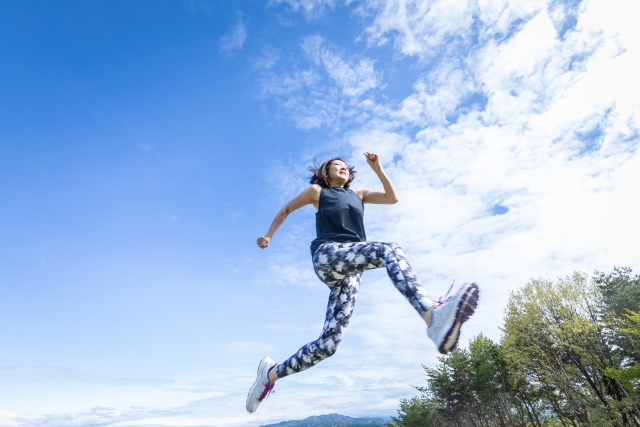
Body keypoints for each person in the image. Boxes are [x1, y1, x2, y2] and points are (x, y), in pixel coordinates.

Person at [245, 152, 479, 413]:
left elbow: (392, 198)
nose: (343, 168)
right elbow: (287, 209)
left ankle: (271, 375)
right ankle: (432, 316)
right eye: (337, 165)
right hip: (328, 255)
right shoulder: (317, 192)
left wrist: (378, 169)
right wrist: (268, 235)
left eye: (346, 167)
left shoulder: (360, 194)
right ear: (326, 171)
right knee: (388, 250)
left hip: (351, 270)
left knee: (328, 344)